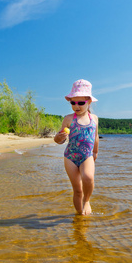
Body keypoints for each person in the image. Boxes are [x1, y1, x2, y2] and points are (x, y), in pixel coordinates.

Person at [54, 79, 99, 215]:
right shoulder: (68, 119)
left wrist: (95, 153)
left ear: (89, 101)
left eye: (80, 103)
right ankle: (79, 216)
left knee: (88, 178)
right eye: (73, 102)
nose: (76, 106)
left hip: (87, 155)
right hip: (70, 157)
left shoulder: (94, 119)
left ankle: (87, 201)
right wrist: (59, 137)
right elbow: (59, 140)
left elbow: (95, 137)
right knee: (77, 189)